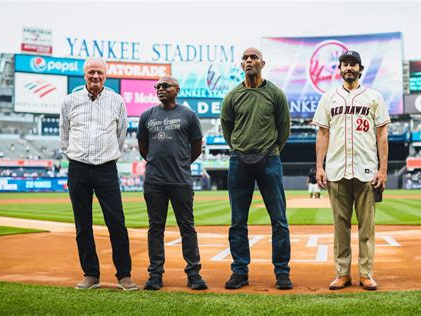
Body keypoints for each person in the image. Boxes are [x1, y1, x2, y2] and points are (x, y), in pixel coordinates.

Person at [312, 51, 390, 291]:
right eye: (345, 64)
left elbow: (382, 134)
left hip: (366, 169)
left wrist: (383, 169)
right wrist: (319, 166)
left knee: (367, 227)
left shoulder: (373, 97)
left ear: (360, 68)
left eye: (353, 64)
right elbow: (322, 133)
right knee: (340, 226)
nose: (349, 68)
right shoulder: (328, 98)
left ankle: (366, 274)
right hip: (336, 169)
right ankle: (342, 273)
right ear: (340, 69)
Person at [60, 57, 137, 291]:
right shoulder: (70, 101)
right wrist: (74, 156)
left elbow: (121, 134)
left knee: (117, 223)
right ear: (85, 74)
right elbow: (64, 135)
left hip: (106, 168)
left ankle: (124, 275)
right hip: (78, 168)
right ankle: (91, 274)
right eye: (91, 72)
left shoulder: (117, 101)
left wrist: (109, 154)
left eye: (100, 73)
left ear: (106, 75)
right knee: (83, 224)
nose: (95, 76)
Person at [221, 47, 292, 290]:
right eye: (245, 58)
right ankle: (240, 271)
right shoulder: (232, 96)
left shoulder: (275, 93)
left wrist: (271, 150)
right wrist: (239, 148)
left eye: (253, 57)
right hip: (239, 161)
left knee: (279, 220)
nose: (249, 61)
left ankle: (282, 272)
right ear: (241, 64)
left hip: (269, 160)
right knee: (237, 221)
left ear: (263, 62)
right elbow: (227, 127)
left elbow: (284, 128)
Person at [137, 76, 208, 291]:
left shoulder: (188, 115)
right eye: (157, 86)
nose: (160, 89)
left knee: (187, 226)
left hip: (180, 180)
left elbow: (196, 147)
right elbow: (143, 147)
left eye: (165, 86)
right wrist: (157, 163)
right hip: (154, 181)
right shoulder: (146, 115)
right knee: (155, 227)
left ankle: (194, 273)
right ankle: (155, 274)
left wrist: (182, 163)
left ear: (176, 89)